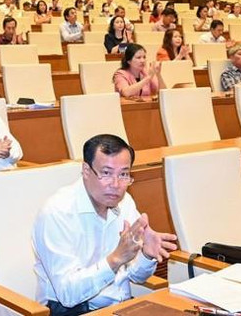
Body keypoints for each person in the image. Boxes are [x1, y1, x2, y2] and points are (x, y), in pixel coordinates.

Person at [32, 134, 177, 313]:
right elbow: (67, 295)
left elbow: (137, 277)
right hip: (72, 310)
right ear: (86, 170)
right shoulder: (57, 213)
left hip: (120, 306)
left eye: (123, 174)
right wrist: (115, 259)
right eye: (106, 173)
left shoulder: (125, 202)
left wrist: (147, 256)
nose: (115, 184)